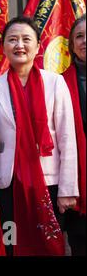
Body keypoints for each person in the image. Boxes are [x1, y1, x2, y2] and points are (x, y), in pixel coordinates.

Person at [0, 16, 78, 256]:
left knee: (49, 244)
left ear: (37, 47)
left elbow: (67, 138)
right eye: (12, 40)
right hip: (7, 184)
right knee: (12, 241)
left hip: (49, 182)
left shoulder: (55, 83)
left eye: (26, 39)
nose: (19, 45)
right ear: (4, 47)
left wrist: (67, 189)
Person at [62, 14, 86, 256]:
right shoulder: (60, 84)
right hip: (77, 181)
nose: (85, 41)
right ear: (71, 45)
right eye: (79, 36)